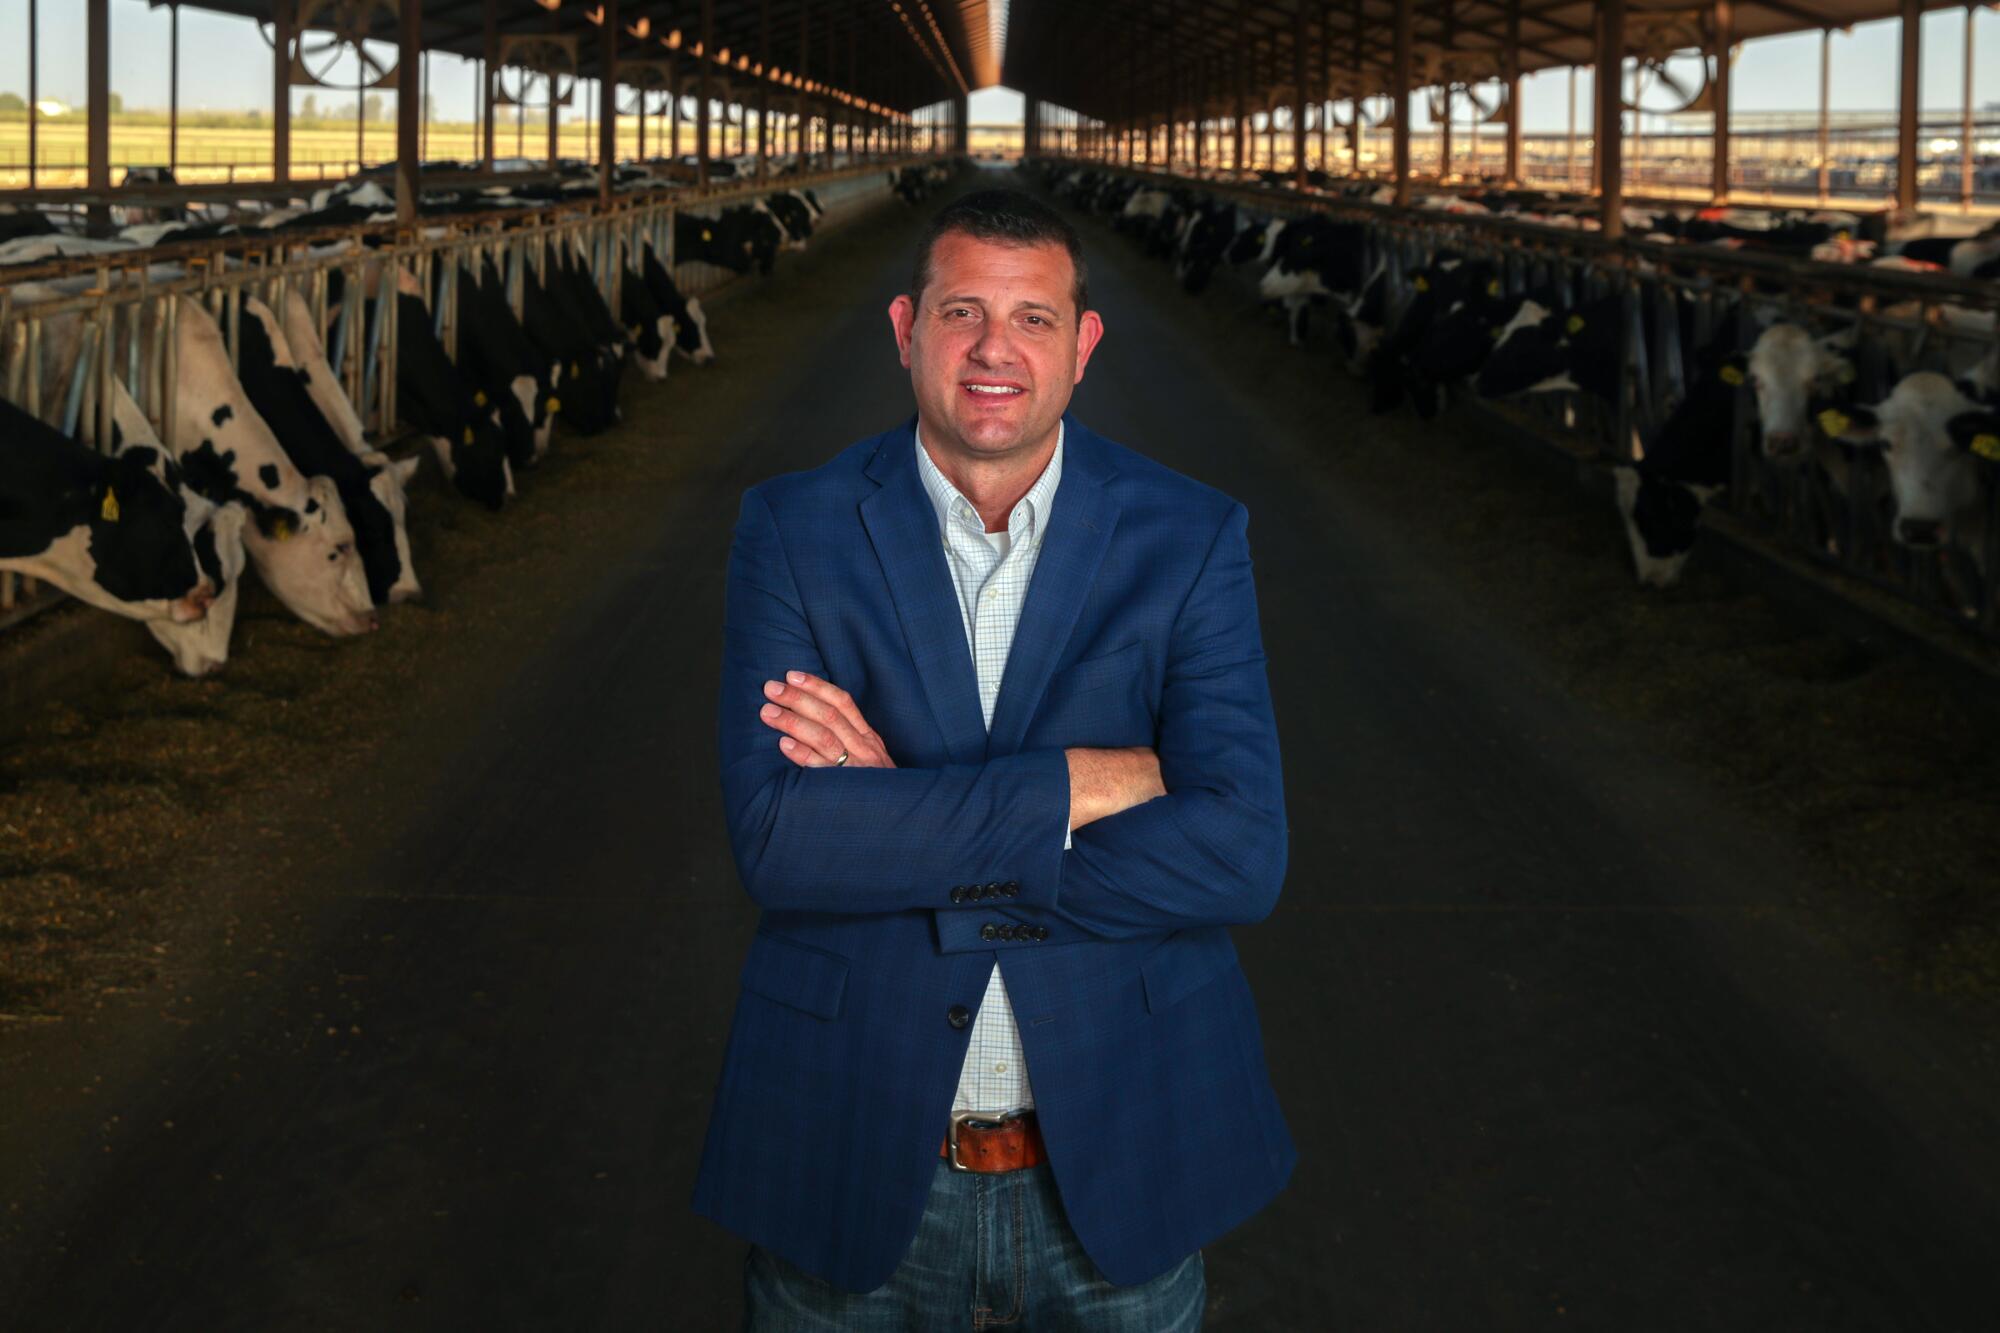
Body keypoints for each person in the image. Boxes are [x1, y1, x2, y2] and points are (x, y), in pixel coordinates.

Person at [695, 187, 1294, 1331]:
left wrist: (899, 823)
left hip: (1117, 1147)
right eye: (961, 310)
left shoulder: (1191, 534)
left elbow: (1239, 853)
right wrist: (1083, 784)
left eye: (1030, 318)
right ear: (905, 330)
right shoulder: (793, 526)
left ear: (1082, 345)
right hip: (856, 1142)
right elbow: (778, 840)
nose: (991, 350)